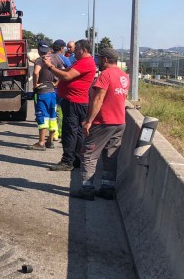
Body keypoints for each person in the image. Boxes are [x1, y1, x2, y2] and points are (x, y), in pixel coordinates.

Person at [74, 47, 130, 200]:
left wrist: (89, 121)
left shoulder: (105, 75)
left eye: (98, 59)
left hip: (103, 122)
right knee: (110, 156)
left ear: (105, 60)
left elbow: (98, 99)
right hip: (120, 122)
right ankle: (107, 188)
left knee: (88, 155)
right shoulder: (124, 76)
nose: (97, 62)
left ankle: (87, 190)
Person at [42, 39, 95, 171]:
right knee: (76, 132)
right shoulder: (81, 62)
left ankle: (67, 161)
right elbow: (66, 72)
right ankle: (76, 158)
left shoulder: (85, 62)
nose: (72, 51)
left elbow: (66, 76)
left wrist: (50, 67)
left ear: (83, 50)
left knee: (70, 132)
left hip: (74, 102)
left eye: (76, 49)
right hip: (75, 101)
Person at [29, 41, 63, 150]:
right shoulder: (56, 59)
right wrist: (56, 83)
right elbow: (62, 72)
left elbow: (35, 72)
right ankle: (50, 141)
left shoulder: (40, 59)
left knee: (42, 116)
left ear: (39, 50)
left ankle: (41, 142)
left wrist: (35, 85)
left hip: (42, 92)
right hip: (53, 92)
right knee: (53, 116)